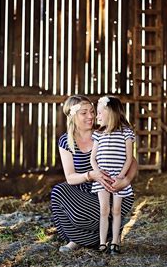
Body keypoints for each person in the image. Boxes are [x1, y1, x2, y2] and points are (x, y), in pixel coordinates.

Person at [51, 95, 137, 252]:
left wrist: (125, 181)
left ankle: (87, 238)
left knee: (93, 215)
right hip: (86, 193)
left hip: (112, 191)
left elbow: (132, 161)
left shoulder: (105, 130)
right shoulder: (65, 141)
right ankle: (98, 237)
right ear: (72, 115)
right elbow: (70, 177)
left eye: (92, 111)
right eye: (84, 113)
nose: (91, 116)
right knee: (58, 192)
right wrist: (91, 175)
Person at [90, 96, 135, 255]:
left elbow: (130, 158)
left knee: (116, 210)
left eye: (100, 112)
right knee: (104, 209)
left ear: (110, 112)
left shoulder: (126, 132)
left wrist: (121, 177)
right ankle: (102, 242)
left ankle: (115, 241)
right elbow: (92, 158)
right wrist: (97, 173)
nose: (97, 116)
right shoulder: (98, 133)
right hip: (102, 180)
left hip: (118, 180)